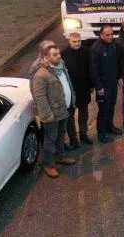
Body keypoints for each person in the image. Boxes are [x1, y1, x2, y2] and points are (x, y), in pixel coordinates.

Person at [31, 44, 77, 178]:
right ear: (46, 58)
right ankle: (49, 165)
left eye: (59, 53)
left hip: (64, 109)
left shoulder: (61, 66)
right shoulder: (41, 75)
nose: (59, 56)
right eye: (55, 54)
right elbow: (39, 97)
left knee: (61, 136)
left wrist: (72, 99)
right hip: (52, 114)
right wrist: (47, 115)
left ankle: (60, 157)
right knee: (50, 140)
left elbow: (67, 83)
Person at [90, 25, 121, 143]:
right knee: (103, 109)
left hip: (113, 83)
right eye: (107, 35)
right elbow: (94, 70)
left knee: (112, 105)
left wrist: (118, 77)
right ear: (101, 35)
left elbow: (115, 63)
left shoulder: (113, 45)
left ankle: (110, 126)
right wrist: (98, 87)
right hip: (103, 85)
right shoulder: (96, 49)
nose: (110, 37)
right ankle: (101, 132)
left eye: (112, 34)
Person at [61, 33, 93, 148]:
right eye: (74, 41)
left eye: (79, 41)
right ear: (69, 41)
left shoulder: (86, 51)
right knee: (70, 116)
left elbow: (90, 68)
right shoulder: (63, 54)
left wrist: (91, 85)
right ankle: (73, 138)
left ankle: (83, 134)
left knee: (84, 114)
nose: (77, 43)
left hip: (84, 88)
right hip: (71, 91)